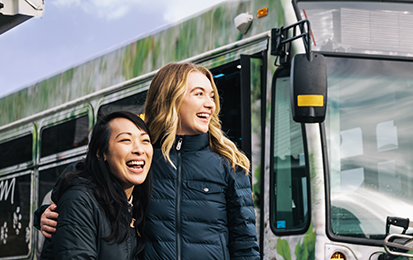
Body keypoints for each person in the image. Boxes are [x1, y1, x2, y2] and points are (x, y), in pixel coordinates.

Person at [39, 62, 260, 259]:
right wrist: (45, 213)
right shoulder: (143, 156)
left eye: (212, 96)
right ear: (172, 97)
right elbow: (87, 176)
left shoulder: (229, 164)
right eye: (199, 94)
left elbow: (246, 245)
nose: (210, 104)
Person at [40, 111, 153, 259]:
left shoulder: (137, 205)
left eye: (145, 141)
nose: (139, 150)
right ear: (101, 152)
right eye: (126, 140)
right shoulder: (79, 201)